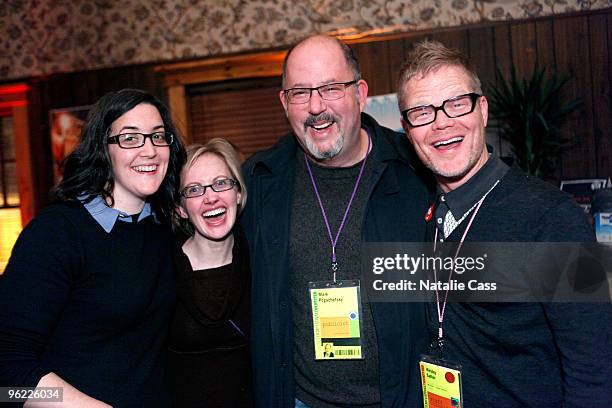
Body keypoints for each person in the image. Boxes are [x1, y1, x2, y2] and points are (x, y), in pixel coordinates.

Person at [397, 40, 612, 407]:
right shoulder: (426, 213)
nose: (441, 122)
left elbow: (594, 372)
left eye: (456, 103)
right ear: (407, 129)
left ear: (482, 110)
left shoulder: (552, 218)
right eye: (421, 112)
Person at [241, 35, 431, 408]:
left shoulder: (416, 172)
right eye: (300, 92)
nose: (316, 107)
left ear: (360, 93)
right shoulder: (260, 182)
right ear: (284, 102)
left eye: (330, 88)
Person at [0, 88, 186, 407]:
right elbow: (8, 373)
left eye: (158, 136)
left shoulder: (166, 230)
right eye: (129, 138)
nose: (150, 150)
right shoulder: (57, 232)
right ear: (103, 147)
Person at [166, 139, 252, 407]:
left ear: (238, 193)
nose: (210, 196)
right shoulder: (161, 270)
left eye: (221, 183)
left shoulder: (263, 261)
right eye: (194, 189)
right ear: (180, 208)